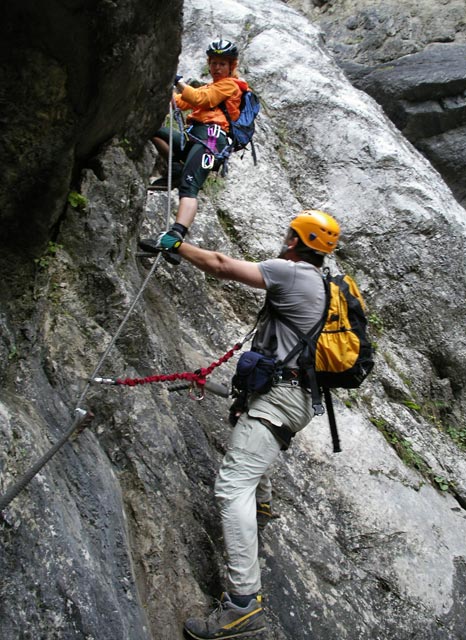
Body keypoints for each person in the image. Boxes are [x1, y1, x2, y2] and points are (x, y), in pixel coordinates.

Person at [177, 210, 341, 639]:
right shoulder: (318, 283)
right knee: (250, 445)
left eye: (288, 233)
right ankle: (262, 507)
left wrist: (174, 243)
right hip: (290, 395)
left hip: (281, 398)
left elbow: (219, 265)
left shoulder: (291, 273)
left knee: (232, 486)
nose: (283, 237)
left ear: (295, 240)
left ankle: (243, 607)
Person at [139, 39, 252, 263]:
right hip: (195, 138)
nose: (217, 68)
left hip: (212, 141)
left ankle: (174, 240)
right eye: (213, 63)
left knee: (189, 189)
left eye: (222, 63)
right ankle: (177, 169)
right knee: (150, 129)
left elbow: (202, 99)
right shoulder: (209, 86)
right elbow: (181, 101)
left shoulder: (231, 85)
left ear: (231, 66)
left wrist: (178, 80)